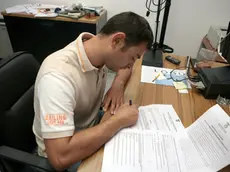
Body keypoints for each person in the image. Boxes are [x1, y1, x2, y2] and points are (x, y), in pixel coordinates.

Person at [32, 11, 153, 171]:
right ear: (117, 40)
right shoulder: (57, 78)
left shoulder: (97, 49)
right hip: (66, 152)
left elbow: (126, 69)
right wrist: (117, 122)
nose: (131, 65)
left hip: (90, 127)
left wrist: (118, 83)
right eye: (133, 57)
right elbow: (59, 157)